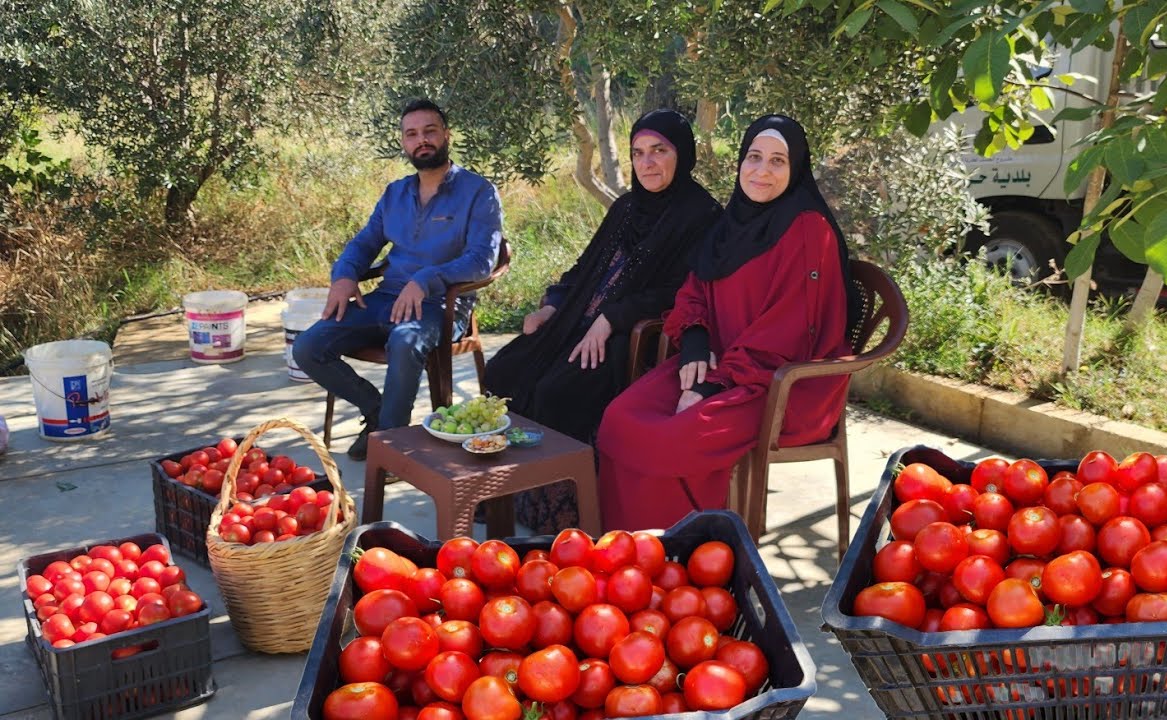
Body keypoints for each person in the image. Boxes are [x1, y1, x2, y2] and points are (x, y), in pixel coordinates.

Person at [594, 114, 859, 532]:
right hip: (718, 361)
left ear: (796, 170)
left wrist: (709, 385)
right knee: (619, 419)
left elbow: (788, 331)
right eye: (753, 157)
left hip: (780, 384)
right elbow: (695, 289)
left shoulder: (809, 230)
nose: (761, 171)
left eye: (777, 161)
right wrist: (695, 342)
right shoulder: (731, 222)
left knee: (669, 440)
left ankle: (691, 557)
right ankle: (629, 554)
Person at [483, 109, 722, 534]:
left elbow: (684, 291)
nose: (647, 163)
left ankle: (559, 513)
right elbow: (583, 269)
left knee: (556, 389)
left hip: (634, 337)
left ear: (682, 154)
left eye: (659, 151)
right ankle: (505, 492)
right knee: (505, 369)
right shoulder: (629, 206)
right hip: (578, 320)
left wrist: (613, 317)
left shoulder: (702, 216)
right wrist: (553, 305)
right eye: (638, 153)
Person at [293, 98, 503, 460]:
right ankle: (376, 412)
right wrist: (344, 276)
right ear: (404, 143)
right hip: (386, 297)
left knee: (406, 342)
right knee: (308, 347)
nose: (422, 140)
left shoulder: (479, 192)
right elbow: (364, 243)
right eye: (412, 134)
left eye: (430, 131)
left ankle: (391, 448)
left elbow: (483, 260)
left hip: (441, 306)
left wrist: (427, 279)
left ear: (446, 135)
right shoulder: (395, 194)